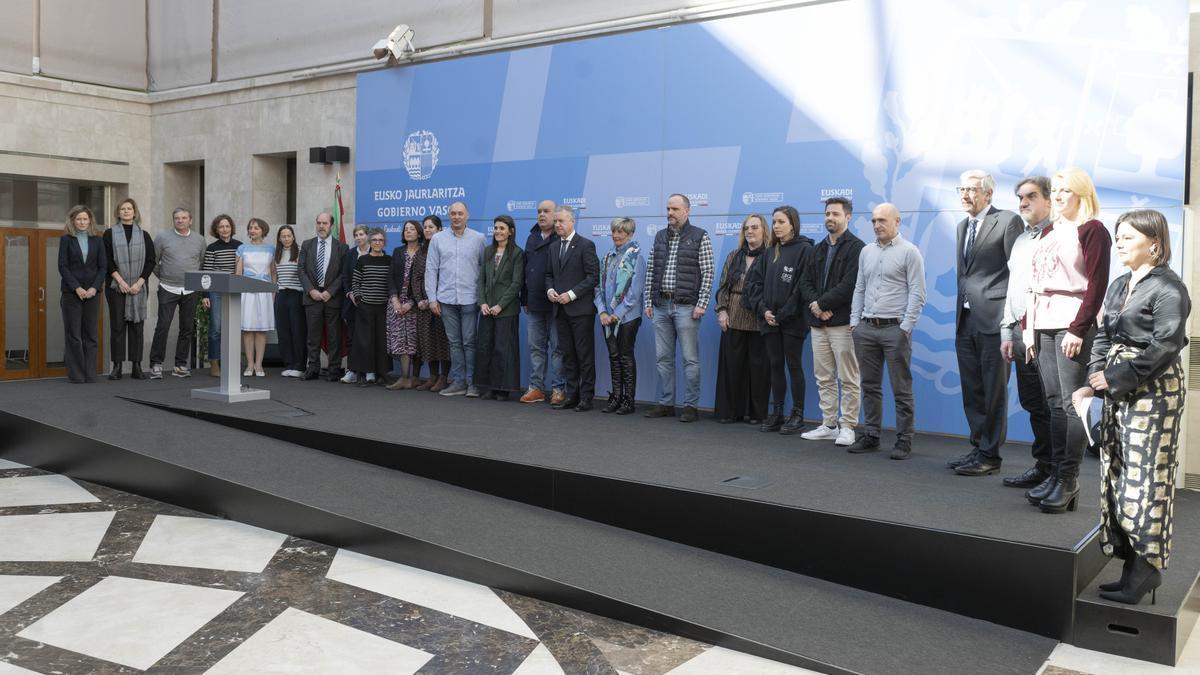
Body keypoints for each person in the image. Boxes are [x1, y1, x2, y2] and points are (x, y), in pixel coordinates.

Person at [1074, 209, 1189, 605]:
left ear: (1153, 243)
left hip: (1154, 391)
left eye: (1126, 237)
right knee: (1117, 475)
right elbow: (1103, 334)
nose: (1118, 243)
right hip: (1118, 387)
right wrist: (1094, 375)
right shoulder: (1121, 283)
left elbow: (1166, 345)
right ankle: (1129, 565)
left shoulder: (1169, 288)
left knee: (1146, 481)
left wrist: (1118, 377)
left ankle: (1147, 568)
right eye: (1118, 236)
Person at [1024, 167, 1111, 513]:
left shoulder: (1093, 230)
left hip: (1072, 321)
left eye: (1066, 191)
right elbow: (1034, 282)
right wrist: (1030, 329)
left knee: (1072, 403)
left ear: (1082, 194)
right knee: (1052, 402)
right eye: (1055, 190)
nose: (1058, 196)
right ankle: (1057, 474)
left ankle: (1069, 479)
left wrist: (1078, 328)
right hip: (1043, 322)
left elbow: (1097, 285)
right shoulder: (1049, 231)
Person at [948, 170, 1024, 476]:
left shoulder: (1007, 221)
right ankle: (978, 447)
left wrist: (1012, 324)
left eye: (972, 190)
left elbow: (1018, 274)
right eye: (962, 189)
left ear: (988, 194)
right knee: (973, 389)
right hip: (965, 319)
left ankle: (990, 454)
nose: (965, 195)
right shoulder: (961, 226)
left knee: (993, 391)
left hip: (996, 321)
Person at [847, 203, 926, 459]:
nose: (877, 225)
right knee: (869, 386)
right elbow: (860, 288)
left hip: (895, 330)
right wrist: (854, 322)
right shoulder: (866, 252)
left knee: (901, 388)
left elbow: (918, 292)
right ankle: (871, 435)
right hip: (866, 328)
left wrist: (906, 327)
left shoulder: (910, 252)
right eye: (873, 221)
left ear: (897, 221)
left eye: (882, 220)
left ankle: (904, 439)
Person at [997, 178, 1055, 488]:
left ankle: (1061, 473)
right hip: (1021, 334)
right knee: (1033, 403)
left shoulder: (1063, 236)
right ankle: (1044, 467)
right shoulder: (1020, 240)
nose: (1023, 203)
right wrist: (1007, 331)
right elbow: (1013, 289)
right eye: (1020, 197)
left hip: (1050, 335)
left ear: (1050, 200)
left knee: (1055, 406)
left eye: (1031, 196)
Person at [799, 197, 865, 446]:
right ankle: (829, 424)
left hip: (842, 324)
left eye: (835, 214)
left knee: (848, 378)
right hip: (819, 324)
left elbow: (850, 285)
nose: (830, 218)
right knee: (824, 377)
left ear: (847, 217)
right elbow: (804, 282)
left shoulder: (857, 247)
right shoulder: (817, 249)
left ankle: (848, 426)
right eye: (827, 213)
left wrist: (822, 304)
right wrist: (816, 307)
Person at [643, 193, 715, 423]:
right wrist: (648, 301)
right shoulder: (660, 237)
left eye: (674, 209)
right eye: (668, 208)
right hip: (661, 305)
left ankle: (691, 406)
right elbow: (652, 271)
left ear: (687, 211)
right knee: (663, 358)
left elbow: (708, 273)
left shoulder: (700, 236)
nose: (670, 213)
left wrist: (702, 304)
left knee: (690, 359)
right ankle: (666, 404)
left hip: (686, 307)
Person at [744, 206, 813, 434]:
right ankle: (778, 412)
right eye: (774, 222)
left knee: (793, 365)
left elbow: (802, 287)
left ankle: (798, 414)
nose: (776, 226)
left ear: (792, 224)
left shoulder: (805, 250)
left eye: (781, 222)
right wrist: (764, 311)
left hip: (793, 321)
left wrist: (783, 314)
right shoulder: (769, 252)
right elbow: (754, 285)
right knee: (775, 365)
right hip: (769, 320)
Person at [713, 214, 771, 424]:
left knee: (759, 370)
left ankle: (756, 414)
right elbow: (722, 287)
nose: (750, 231)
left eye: (755, 227)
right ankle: (730, 411)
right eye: (746, 228)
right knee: (732, 367)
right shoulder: (734, 255)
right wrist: (722, 311)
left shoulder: (771, 255)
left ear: (764, 230)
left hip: (759, 318)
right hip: (734, 316)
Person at [426, 201, 486, 397]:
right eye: (453, 213)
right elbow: (431, 269)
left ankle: (473, 383)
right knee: (454, 343)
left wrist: (482, 297)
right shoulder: (437, 239)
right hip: (446, 300)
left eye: (460, 213)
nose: (456, 216)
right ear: (449, 216)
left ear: (467, 215)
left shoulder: (478, 238)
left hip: (470, 299)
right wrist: (432, 299)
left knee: (469, 342)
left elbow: (484, 271)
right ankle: (458, 382)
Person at [545, 206, 599, 411]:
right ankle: (572, 394)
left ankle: (586, 397)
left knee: (584, 355)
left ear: (572, 221)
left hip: (581, 310)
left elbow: (593, 277)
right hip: (559, 310)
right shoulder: (553, 247)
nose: (557, 225)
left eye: (561, 221)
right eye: (556, 221)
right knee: (568, 355)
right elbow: (549, 275)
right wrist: (550, 290)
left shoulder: (586, 245)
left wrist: (571, 294)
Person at [594, 216, 646, 414]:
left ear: (630, 234)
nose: (616, 235)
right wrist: (602, 311)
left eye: (621, 232)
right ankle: (616, 396)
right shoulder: (607, 257)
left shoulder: (636, 258)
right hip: (607, 318)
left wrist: (616, 314)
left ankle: (628, 401)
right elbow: (597, 288)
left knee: (625, 356)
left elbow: (635, 292)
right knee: (613, 356)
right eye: (614, 231)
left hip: (627, 318)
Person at [148, 207, 207, 379]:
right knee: (163, 326)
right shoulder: (162, 237)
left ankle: (180, 365)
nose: (180, 220)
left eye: (183, 218)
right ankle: (156, 365)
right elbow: (153, 261)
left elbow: (201, 263)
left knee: (187, 328)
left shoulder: (199, 240)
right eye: (177, 218)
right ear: (173, 220)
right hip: (168, 287)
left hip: (191, 289)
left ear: (190, 220)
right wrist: (165, 276)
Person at [103, 197, 155, 379]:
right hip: (116, 287)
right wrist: (121, 282)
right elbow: (107, 261)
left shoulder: (144, 235)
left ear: (135, 212)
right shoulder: (109, 234)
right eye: (122, 209)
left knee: (137, 328)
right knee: (117, 327)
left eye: (129, 208)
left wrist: (139, 283)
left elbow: (151, 262)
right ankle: (117, 367)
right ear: (118, 213)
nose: (126, 211)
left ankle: (137, 366)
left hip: (138, 288)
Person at [474, 215, 525, 400]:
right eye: (495, 228)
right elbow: (481, 281)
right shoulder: (488, 251)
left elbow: (516, 283)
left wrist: (500, 305)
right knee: (486, 347)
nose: (497, 231)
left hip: (506, 310)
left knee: (503, 349)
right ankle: (488, 387)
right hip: (487, 309)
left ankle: (503, 389)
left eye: (502, 228)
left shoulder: (517, 253)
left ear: (510, 231)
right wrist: (483, 303)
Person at [519, 199, 566, 404]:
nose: (541, 215)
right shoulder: (532, 237)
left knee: (557, 348)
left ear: (555, 214)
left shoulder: (562, 237)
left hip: (556, 303)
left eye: (546, 211)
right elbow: (525, 269)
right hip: (534, 301)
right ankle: (536, 388)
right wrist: (525, 298)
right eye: (539, 211)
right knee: (536, 347)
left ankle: (558, 389)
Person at [298, 212, 349, 381]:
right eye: (319, 222)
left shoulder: (342, 247)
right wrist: (311, 290)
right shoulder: (307, 245)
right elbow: (301, 270)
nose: (321, 226)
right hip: (312, 296)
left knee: (334, 335)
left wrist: (330, 291)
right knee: (313, 336)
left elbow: (343, 273)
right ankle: (312, 368)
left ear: (331, 226)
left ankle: (334, 369)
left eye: (325, 223)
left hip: (332, 297)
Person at [58, 205, 106, 383]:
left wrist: (94, 287)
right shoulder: (66, 240)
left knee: (91, 335)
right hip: (72, 293)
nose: (82, 222)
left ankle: (90, 373)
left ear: (90, 220)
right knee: (74, 335)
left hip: (93, 293)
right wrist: (77, 288)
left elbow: (103, 267)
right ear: (72, 221)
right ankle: (77, 375)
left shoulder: (98, 240)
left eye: (85, 219)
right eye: (78, 219)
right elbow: (62, 266)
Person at [412, 215, 451, 391]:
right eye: (425, 227)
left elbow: (445, 276)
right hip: (423, 306)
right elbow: (416, 278)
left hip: (441, 303)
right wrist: (420, 299)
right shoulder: (420, 252)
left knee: (443, 341)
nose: (427, 230)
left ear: (440, 230)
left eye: (431, 227)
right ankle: (432, 377)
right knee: (427, 342)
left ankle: (444, 378)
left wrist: (432, 298)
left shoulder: (445, 249)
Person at [200, 214, 242, 377]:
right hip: (215, 291)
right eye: (221, 227)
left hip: (233, 291)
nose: (225, 229)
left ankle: (230, 363)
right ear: (216, 230)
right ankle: (214, 364)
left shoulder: (240, 246)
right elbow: (207, 273)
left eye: (227, 226)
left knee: (232, 328)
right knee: (216, 328)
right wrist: (205, 295)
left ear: (231, 228)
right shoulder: (212, 248)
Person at [349, 228, 392, 386]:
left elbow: (391, 282)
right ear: (370, 242)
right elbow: (356, 282)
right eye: (374, 240)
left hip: (383, 307)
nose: (377, 243)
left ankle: (382, 374)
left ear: (384, 242)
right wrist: (359, 299)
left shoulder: (389, 260)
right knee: (363, 342)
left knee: (381, 341)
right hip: (365, 306)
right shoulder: (363, 260)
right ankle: (361, 374)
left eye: (380, 240)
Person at [385, 220, 424, 390]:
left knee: (416, 340)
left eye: (412, 229)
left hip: (416, 303)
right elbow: (391, 277)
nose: (408, 232)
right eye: (406, 229)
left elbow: (425, 281)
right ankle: (404, 377)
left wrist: (411, 303)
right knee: (400, 340)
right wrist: (394, 300)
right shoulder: (398, 251)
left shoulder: (425, 252)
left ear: (419, 233)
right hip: (396, 303)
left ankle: (414, 377)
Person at [236, 218, 275, 377]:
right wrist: (237, 293)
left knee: (261, 329)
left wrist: (273, 293)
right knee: (247, 329)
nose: (253, 230)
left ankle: (259, 364)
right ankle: (249, 364)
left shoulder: (271, 249)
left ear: (263, 230)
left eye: (256, 228)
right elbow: (238, 273)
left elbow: (273, 273)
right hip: (246, 291)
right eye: (251, 228)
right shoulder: (242, 248)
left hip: (264, 292)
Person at [274, 225, 307, 377]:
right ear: (279, 238)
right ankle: (289, 363)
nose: (286, 239)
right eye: (283, 236)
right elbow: (274, 277)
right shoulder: (277, 254)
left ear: (293, 237)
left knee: (297, 330)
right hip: (281, 294)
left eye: (289, 236)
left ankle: (299, 366)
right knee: (283, 331)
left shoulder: (300, 251)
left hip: (296, 294)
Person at [340, 225, 371, 384]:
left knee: (369, 338)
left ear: (368, 236)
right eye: (356, 235)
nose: (359, 237)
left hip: (371, 303)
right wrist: (350, 293)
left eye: (361, 234)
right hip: (352, 304)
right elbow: (345, 277)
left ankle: (369, 370)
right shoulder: (350, 254)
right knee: (352, 338)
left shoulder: (376, 251)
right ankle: (352, 370)